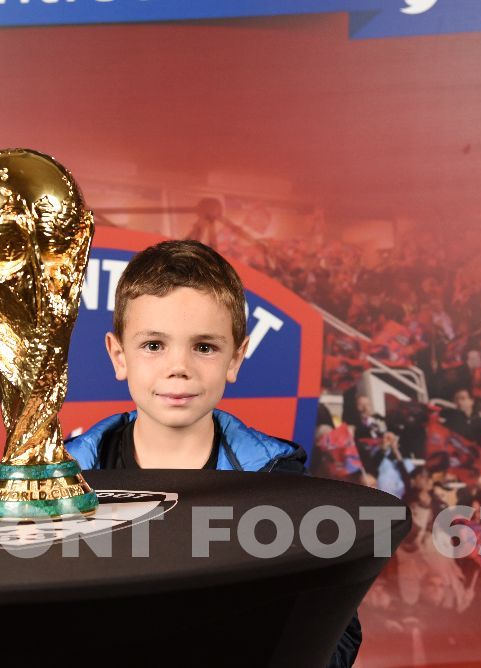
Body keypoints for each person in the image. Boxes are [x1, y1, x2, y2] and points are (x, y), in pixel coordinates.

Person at [66, 239, 362, 667]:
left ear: (236, 358)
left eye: (204, 347)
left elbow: (335, 634)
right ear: (118, 355)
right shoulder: (66, 478)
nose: (178, 366)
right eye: (154, 345)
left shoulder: (277, 482)